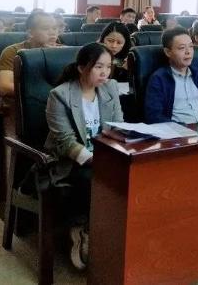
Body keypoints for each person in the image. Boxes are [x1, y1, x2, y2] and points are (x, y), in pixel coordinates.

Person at [44, 42, 123, 270]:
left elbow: (117, 128)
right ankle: (82, 229)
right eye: (98, 67)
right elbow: (66, 142)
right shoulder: (60, 95)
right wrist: (96, 161)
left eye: (108, 67)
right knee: (92, 177)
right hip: (70, 162)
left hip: (105, 156)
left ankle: (112, 231)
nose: (105, 72)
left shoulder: (110, 88)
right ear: (81, 67)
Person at [0, 12, 59, 190]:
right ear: (30, 32)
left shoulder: (61, 52)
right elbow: (5, 86)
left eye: (55, 28)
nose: (53, 33)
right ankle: (15, 189)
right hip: (14, 110)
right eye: (46, 28)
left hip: (52, 110)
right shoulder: (13, 52)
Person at [144, 28, 198, 123]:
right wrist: (184, 128)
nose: (188, 52)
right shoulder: (159, 79)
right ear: (168, 52)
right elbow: (154, 116)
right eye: (182, 48)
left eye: (191, 46)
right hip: (177, 130)